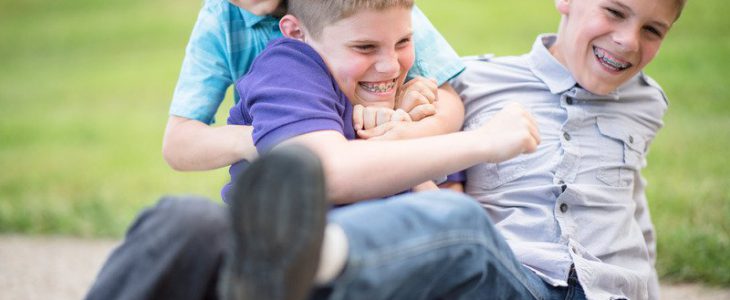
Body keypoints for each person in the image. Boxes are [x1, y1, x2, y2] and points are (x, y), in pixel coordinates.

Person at [87, 0, 686, 299]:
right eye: (613, 11)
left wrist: (417, 123)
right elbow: (184, 141)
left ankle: (306, 259)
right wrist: (289, 139)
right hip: (505, 276)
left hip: (545, 276)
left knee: (459, 222)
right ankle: (289, 260)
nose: (629, 40)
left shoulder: (643, 101)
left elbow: (629, 199)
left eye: (655, 29)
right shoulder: (472, 81)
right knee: (183, 220)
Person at [161, 0, 467, 172]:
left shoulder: (360, 6)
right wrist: (278, 138)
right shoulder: (222, 17)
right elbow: (178, 143)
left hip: (391, 166)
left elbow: (447, 95)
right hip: (291, 194)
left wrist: (405, 133)